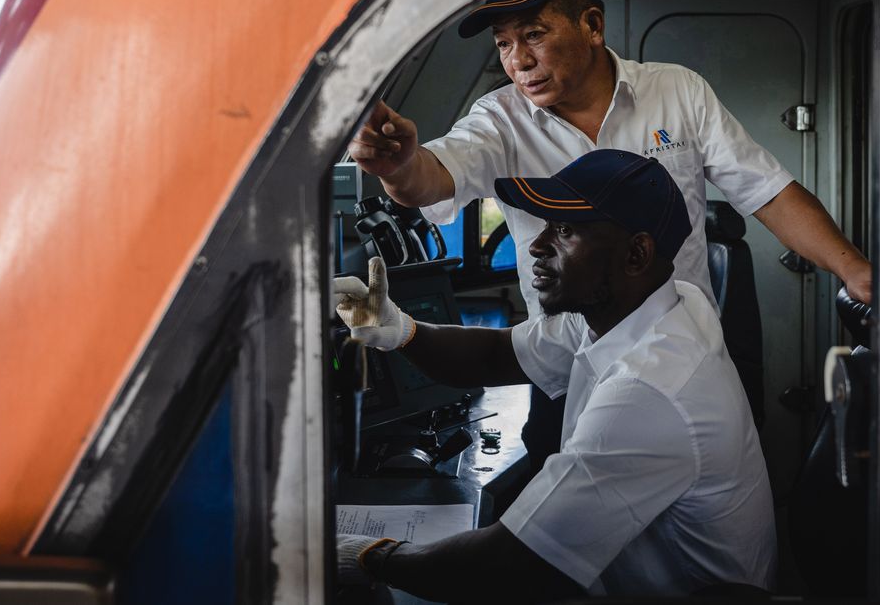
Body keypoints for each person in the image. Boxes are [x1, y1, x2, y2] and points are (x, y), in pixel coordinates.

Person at [348, 0, 871, 465]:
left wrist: (854, 271)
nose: (518, 62)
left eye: (533, 34)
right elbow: (432, 177)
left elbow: (767, 191)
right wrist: (398, 166)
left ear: (592, 25)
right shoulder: (498, 120)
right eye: (503, 44)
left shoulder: (677, 92)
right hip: (566, 364)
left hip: (679, 360)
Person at [333, 150, 777, 601]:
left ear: (637, 254)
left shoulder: (649, 391)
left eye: (564, 231)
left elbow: (509, 565)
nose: (536, 246)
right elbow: (494, 354)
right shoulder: (662, 302)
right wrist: (401, 330)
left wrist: (368, 556)